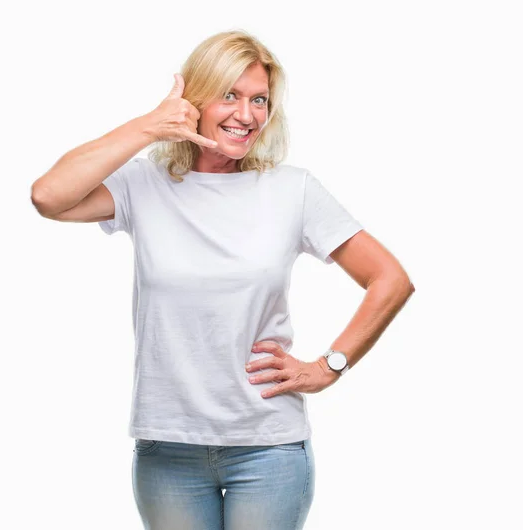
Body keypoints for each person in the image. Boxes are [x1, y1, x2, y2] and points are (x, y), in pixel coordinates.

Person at [31, 29, 414, 530]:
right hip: (168, 447)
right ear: (195, 99)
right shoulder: (144, 185)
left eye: (260, 100)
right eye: (229, 94)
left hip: (267, 449)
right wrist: (149, 127)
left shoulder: (290, 190)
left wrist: (328, 366)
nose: (247, 114)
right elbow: (48, 196)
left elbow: (389, 278)